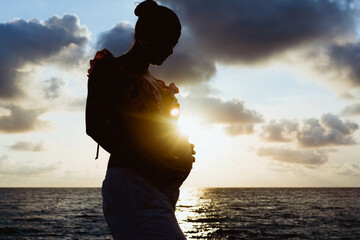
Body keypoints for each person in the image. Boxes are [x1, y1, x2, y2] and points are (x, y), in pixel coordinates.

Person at [85, 0, 195, 239]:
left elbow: (158, 132)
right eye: (169, 42)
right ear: (148, 37)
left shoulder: (157, 83)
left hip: (159, 186)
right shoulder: (110, 70)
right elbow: (94, 126)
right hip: (133, 183)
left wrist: (180, 149)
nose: (171, 51)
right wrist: (152, 164)